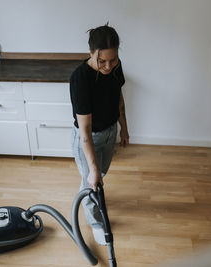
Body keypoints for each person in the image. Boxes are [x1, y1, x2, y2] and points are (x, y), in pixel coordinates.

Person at [70, 24, 129, 245]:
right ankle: (95, 223)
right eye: (101, 61)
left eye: (112, 60)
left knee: (100, 174)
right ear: (90, 52)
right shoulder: (80, 79)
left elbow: (119, 98)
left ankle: (93, 190)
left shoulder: (116, 66)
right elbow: (84, 130)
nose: (107, 66)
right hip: (89, 138)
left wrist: (124, 127)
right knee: (90, 182)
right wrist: (92, 168)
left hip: (109, 132)